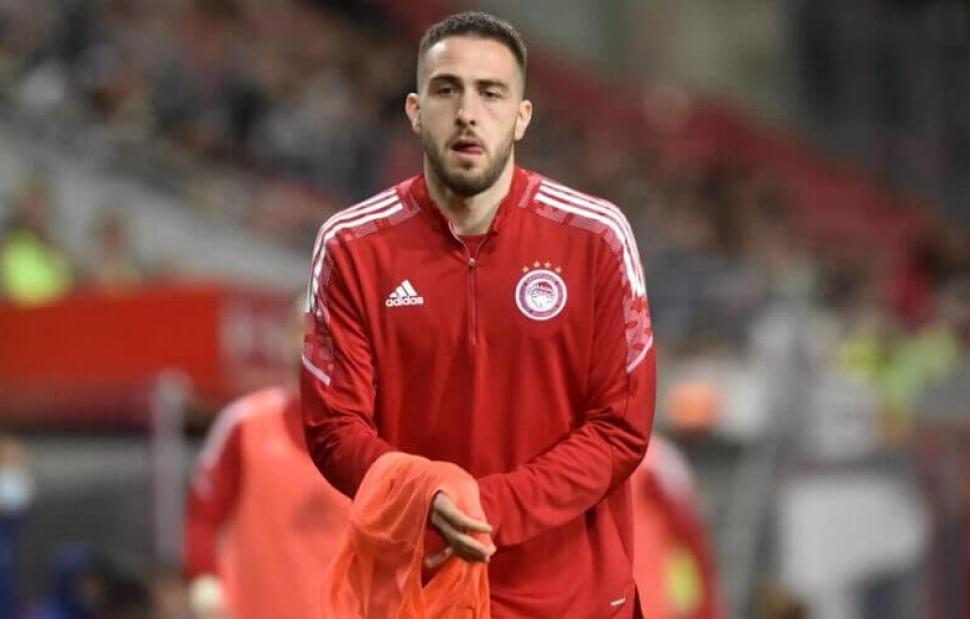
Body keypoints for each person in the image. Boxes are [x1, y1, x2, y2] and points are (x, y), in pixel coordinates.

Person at [302, 11, 656, 618]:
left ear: (521, 117)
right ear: (416, 111)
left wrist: (483, 508)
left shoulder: (596, 237)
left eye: (491, 93)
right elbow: (334, 428)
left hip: (575, 602)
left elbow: (619, 428)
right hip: (421, 599)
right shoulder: (352, 247)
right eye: (447, 90)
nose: (468, 112)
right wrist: (426, 497)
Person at [183, 299, 350, 619]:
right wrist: (206, 582)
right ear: (286, 338)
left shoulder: (375, 434)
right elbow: (203, 515)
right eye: (303, 327)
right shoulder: (244, 426)